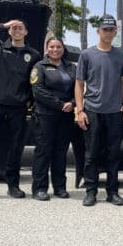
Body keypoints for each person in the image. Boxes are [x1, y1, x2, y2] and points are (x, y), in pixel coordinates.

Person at [0, 20, 41, 202]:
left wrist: (30, 101)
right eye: (13, 27)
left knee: (15, 149)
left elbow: (35, 82)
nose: (17, 30)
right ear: (9, 31)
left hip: (18, 108)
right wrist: (3, 25)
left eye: (20, 27)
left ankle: (13, 186)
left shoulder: (33, 55)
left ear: (26, 32)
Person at [75, 14, 123, 207]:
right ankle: (91, 191)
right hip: (92, 111)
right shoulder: (87, 55)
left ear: (115, 32)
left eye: (111, 29)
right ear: (98, 31)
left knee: (114, 154)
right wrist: (80, 110)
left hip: (114, 112)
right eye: (104, 29)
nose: (108, 32)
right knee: (91, 154)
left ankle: (112, 192)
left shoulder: (121, 55)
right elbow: (79, 85)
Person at [30, 38, 76, 201]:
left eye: (58, 46)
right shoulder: (39, 67)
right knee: (43, 151)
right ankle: (40, 188)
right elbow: (38, 91)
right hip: (45, 115)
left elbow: (78, 89)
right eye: (52, 47)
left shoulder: (71, 67)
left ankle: (59, 187)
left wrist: (72, 103)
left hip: (66, 115)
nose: (55, 49)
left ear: (63, 48)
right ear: (46, 49)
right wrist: (60, 104)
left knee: (60, 152)